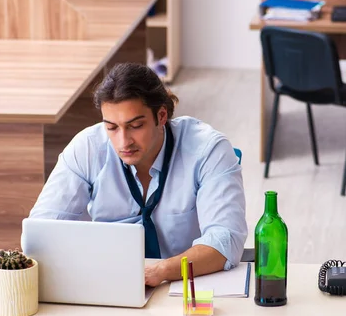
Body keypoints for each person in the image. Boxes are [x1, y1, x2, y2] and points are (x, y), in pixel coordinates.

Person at [29, 62, 248, 286]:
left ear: (161, 116)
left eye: (135, 126)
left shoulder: (208, 150)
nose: (123, 142)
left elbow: (226, 241)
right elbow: (40, 232)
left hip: (183, 283)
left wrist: (161, 271)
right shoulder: (88, 147)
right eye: (112, 128)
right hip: (110, 280)